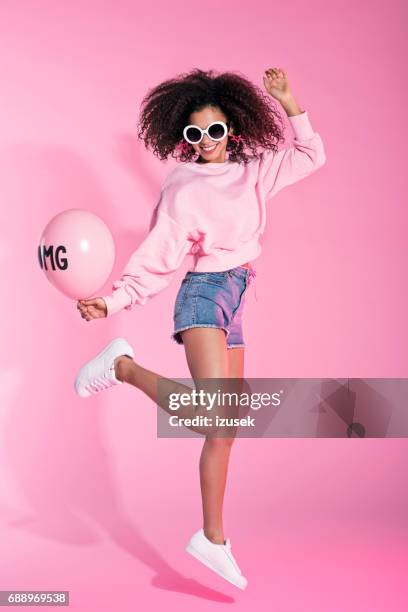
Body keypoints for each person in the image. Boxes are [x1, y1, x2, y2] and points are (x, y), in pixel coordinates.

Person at [74, 67, 326, 590]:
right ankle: (121, 366)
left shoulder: (254, 171)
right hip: (204, 296)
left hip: (235, 298)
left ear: (231, 130)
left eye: (215, 130)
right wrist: (114, 299)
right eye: (195, 134)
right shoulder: (181, 185)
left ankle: (212, 538)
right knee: (212, 413)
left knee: (224, 430)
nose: (207, 141)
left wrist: (289, 101)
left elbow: (310, 157)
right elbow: (159, 258)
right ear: (183, 140)